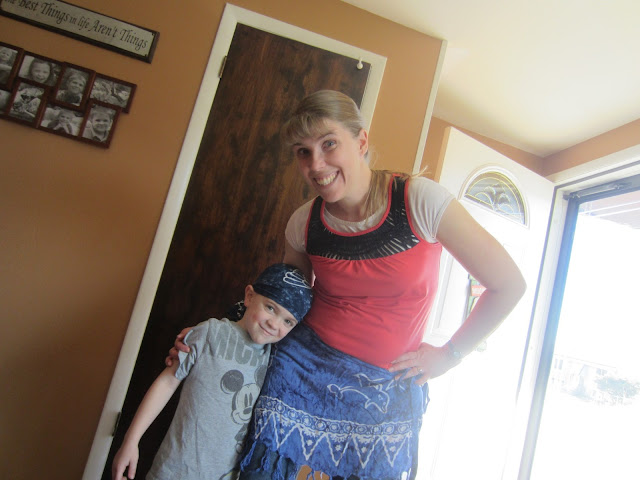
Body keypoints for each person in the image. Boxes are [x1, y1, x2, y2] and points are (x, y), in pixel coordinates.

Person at [168, 90, 526, 480]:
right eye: (303, 152)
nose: (316, 164)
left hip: (385, 385)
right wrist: (218, 337)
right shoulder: (303, 223)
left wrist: (449, 355)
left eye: (329, 144)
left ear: (361, 141)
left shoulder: (419, 201)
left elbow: (508, 285)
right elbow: (283, 303)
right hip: (300, 368)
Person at [112, 263, 313, 480]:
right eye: (270, 308)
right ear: (249, 296)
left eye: (288, 321)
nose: (274, 324)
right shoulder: (210, 332)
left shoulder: (274, 360)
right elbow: (167, 382)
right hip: (174, 471)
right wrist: (131, 441)